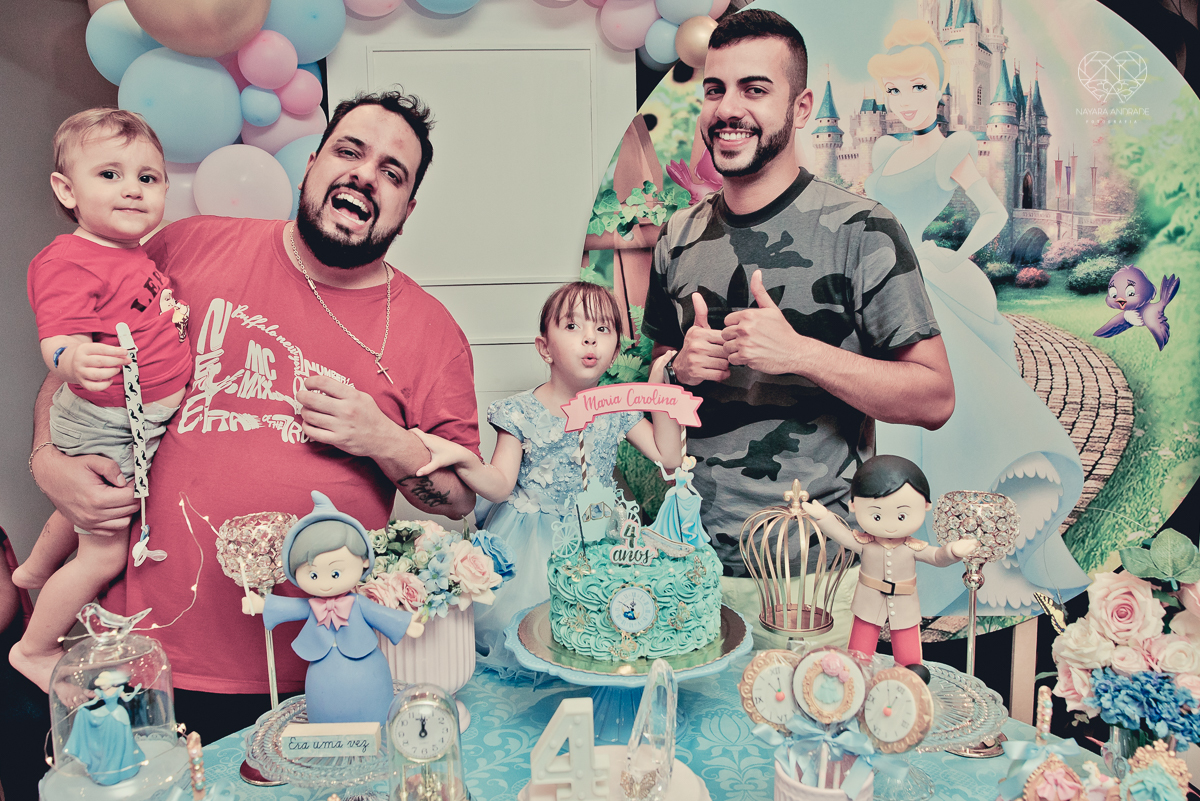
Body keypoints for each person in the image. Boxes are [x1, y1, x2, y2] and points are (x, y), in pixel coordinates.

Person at [29, 91, 479, 740]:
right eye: (349, 152)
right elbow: (74, 364)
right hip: (144, 652)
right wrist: (48, 460)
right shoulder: (188, 246)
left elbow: (458, 498)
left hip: (318, 668)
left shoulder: (432, 332)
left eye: (391, 171)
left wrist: (384, 439)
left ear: (406, 211)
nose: (364, 175)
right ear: (312, 166)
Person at [641, 9, 955, 582]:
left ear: (802, 107)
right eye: (715, 89)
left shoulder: (863, 230)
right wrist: (677, 368)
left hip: (822, 575)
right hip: (690, 565)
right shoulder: (677, 237)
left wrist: (800, 354)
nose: (728, 109)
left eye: (754, 89)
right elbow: (657, 373)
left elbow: (934, 399)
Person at [865, 20, 1087, 617]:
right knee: (889, 416)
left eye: (917, 87)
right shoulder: (883, 151)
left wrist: (951, 258)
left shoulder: (952, 149)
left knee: (948, 414)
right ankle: (892, 552)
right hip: (877, 284)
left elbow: (993, 214)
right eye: (894, 91)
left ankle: (953, 557)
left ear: (939, 88)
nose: (905, 101)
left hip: (924, 283)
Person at [413, 282, 682, 676]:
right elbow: (500, 485)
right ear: (545, 348)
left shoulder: (617, 407)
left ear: (614, 352)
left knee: (601, 635)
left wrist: (659, 390)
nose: (590, 338)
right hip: (533, 543)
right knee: (536, 635)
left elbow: (668, 456)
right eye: (573, 326)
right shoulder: (520, 411)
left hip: (599, 536)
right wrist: (463, 460)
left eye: (603, 329)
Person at [12, 109, 190, 692]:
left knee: (80, 509)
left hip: (129, 416)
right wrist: (72, 359)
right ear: (67, 191)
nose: (132, 189)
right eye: (110, 174)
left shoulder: (131, 252)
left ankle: (36, 567)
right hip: (106, 421)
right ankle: (35, 648)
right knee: (103, 554)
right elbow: (57, 337)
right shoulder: (68, 260)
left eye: (147, 177)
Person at [242, 492, 419, 725]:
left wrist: (406, 623)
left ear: (364, 561)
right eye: (313, 575)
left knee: (374, 711)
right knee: (324, 710)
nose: (325, 583)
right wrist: (261, 604)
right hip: (322, 672)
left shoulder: (358, 603)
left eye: (335, 573)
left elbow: (381, 616)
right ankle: (325, 736)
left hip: (367, 668)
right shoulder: (311, 606)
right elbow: (288, 608)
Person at [802, 455, 977, 675]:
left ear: (926, 505)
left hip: (904, 603)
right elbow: (843, 535)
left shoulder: (913, 547)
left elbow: (936, 557)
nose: (890, 526)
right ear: (854, 505)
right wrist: (824, 517)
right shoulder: (865, 543)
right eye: (876, 516)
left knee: (908, 649)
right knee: (859, 649)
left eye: (902, 515)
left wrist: (952, 552)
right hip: (868, 602)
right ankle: (856, 677)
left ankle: (910, 677)